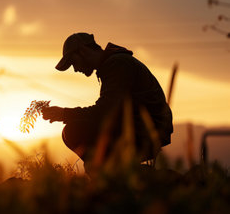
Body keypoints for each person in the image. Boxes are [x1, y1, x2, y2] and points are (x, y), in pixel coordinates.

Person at [42, 32, 173, 169]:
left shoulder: (117, 64)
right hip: (142, 129)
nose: (75, 69)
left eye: (73, 62)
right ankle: (114, 172)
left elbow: (105, 112)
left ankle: (107, 174)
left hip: (146, 133)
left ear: (83, 51)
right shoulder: (113, 64)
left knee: (73, 131)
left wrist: (64, 114)